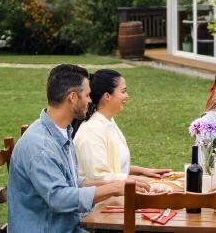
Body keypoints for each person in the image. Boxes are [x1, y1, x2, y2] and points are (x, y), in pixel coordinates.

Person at [8, 64, 144, 232]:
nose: (90, 100)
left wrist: (118, 182)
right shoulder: (41, 146)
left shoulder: (61, 131)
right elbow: (58, 198)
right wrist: (114, 188)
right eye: (87, 95)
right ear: (72, 97)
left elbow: (72, 181)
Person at [73, 69, 172, 182]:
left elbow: (114, 166)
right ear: (107, 96)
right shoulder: (92, 131)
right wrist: (139, 180)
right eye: (123, 91)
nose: (127, 96)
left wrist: (144, 171)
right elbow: (97, 176)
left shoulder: (109, 122)